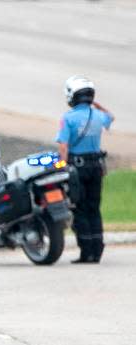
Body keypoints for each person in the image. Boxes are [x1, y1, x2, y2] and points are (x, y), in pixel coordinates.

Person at [57, 76, 116, 264]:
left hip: (77, 168)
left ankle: (86, 252)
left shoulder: (68, 118)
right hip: (96, 167)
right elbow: (111, 117)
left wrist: (61, 167)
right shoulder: (98, 116)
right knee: (94, 208)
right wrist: (96, 105)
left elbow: (64, 147)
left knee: (79, 208)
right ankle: (97, 251)